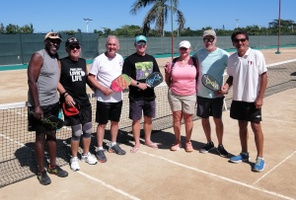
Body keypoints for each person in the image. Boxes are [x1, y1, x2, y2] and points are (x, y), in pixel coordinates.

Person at [221, 30, 267, 172]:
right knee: (242, 127)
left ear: (247, 41)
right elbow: (231, 77)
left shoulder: (257, 55)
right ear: (233, 43)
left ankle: (260, 157)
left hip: (253, 100)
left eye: (242, 40)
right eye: (236, 41)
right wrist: (226, 86)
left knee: (256, 127)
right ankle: (244, 153)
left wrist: (260, 97)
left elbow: (264, 76)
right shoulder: (232, 58)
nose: (240, 43)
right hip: (238, 99)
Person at [27, 32, 68, 185]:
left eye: (57, 42)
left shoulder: (56, 58)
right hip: (40, 106)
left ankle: (52, 165)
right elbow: (31, 81)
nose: (54, 44)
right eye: (51, 41)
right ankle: (41, 171)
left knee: (52, 134)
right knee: (40, 137)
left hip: (53, 104)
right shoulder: (38, 56)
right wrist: (37, 106)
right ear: (46, 42)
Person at [58, 36, 97, 171]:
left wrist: (97, 89)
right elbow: (56, 82)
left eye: (77, 47)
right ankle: (74, 157)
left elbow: (86, 79)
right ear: (67, 49)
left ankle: (85, 154)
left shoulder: (82, 61)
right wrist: (65, 95)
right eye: (72, 47)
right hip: (71, 104)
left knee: (87, 130)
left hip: (84, 102)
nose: (75, 49)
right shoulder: (61, 62)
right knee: (76, 132)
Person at [88, 35, 126, 163]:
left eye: (114, 45)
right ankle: (99, 148)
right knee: (102, 124)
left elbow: (123, 77)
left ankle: (113, 144)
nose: (112, 47)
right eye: (110, 44)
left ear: (118, 46)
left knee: (115, 122)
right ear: (106, 46)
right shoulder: (98, 60)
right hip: (103, 100)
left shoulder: (120, 58)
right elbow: (91, 77)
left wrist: (118, 86)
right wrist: (103, 89)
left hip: (118, 98)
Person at [193, 29, 230, 157]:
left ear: (215, 39)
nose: (208, 41)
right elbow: (188, 62)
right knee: (204, 120)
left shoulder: (224, 55)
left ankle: (220, 145)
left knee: (217, 120)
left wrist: (225, 87)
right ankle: (209, 143)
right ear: (203, 40)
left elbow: (233, 72)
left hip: (217, 96)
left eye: (211, 39)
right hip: (201, 95)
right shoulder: (198, 53)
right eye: (206, 39)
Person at [122, 35, 160, 153]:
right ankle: (137, 142)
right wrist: (139, 84)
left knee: (148, 119)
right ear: (135, 45)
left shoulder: (151, 58)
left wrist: (151, 83)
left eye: (143, 44)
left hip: (150, 96)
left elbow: (157, 75)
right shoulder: (129, 60)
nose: (141, 46)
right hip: (136, 96)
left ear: (146, 45)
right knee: (136, 120)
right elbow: (125, 77)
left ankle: (148, 140)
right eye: (139, 44)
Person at [164, 40, 198, 152]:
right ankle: (177, 141)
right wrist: (174, 88)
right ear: (179, 49)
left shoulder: (195, 62)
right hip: (174, 95)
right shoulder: (172, 63)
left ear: (190, 49)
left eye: (186, 48)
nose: (183, 50)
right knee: (176, 118)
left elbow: (199, 76)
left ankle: (188, 142)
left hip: (190, 95)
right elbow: (167, 79)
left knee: (188, 119)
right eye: (182, 48)